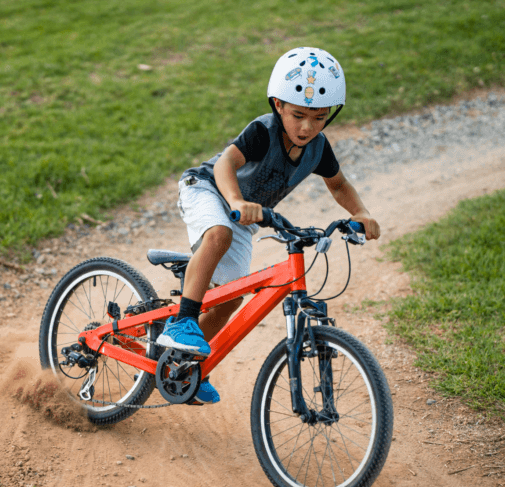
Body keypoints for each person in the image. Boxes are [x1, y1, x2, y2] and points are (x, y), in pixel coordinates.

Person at [156, 47, 380, 404]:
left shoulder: (318, 149)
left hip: (246, 216)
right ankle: (181, 322)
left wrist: (361, 213)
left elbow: (338, 185)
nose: (307, 127)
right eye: (298, 115)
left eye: (319, 117)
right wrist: (235, 202)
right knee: (219, 234)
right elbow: (224, 164)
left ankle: (185, 365)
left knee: (230, 300)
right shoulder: (264, 130)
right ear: (278, 104)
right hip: (208, 189)